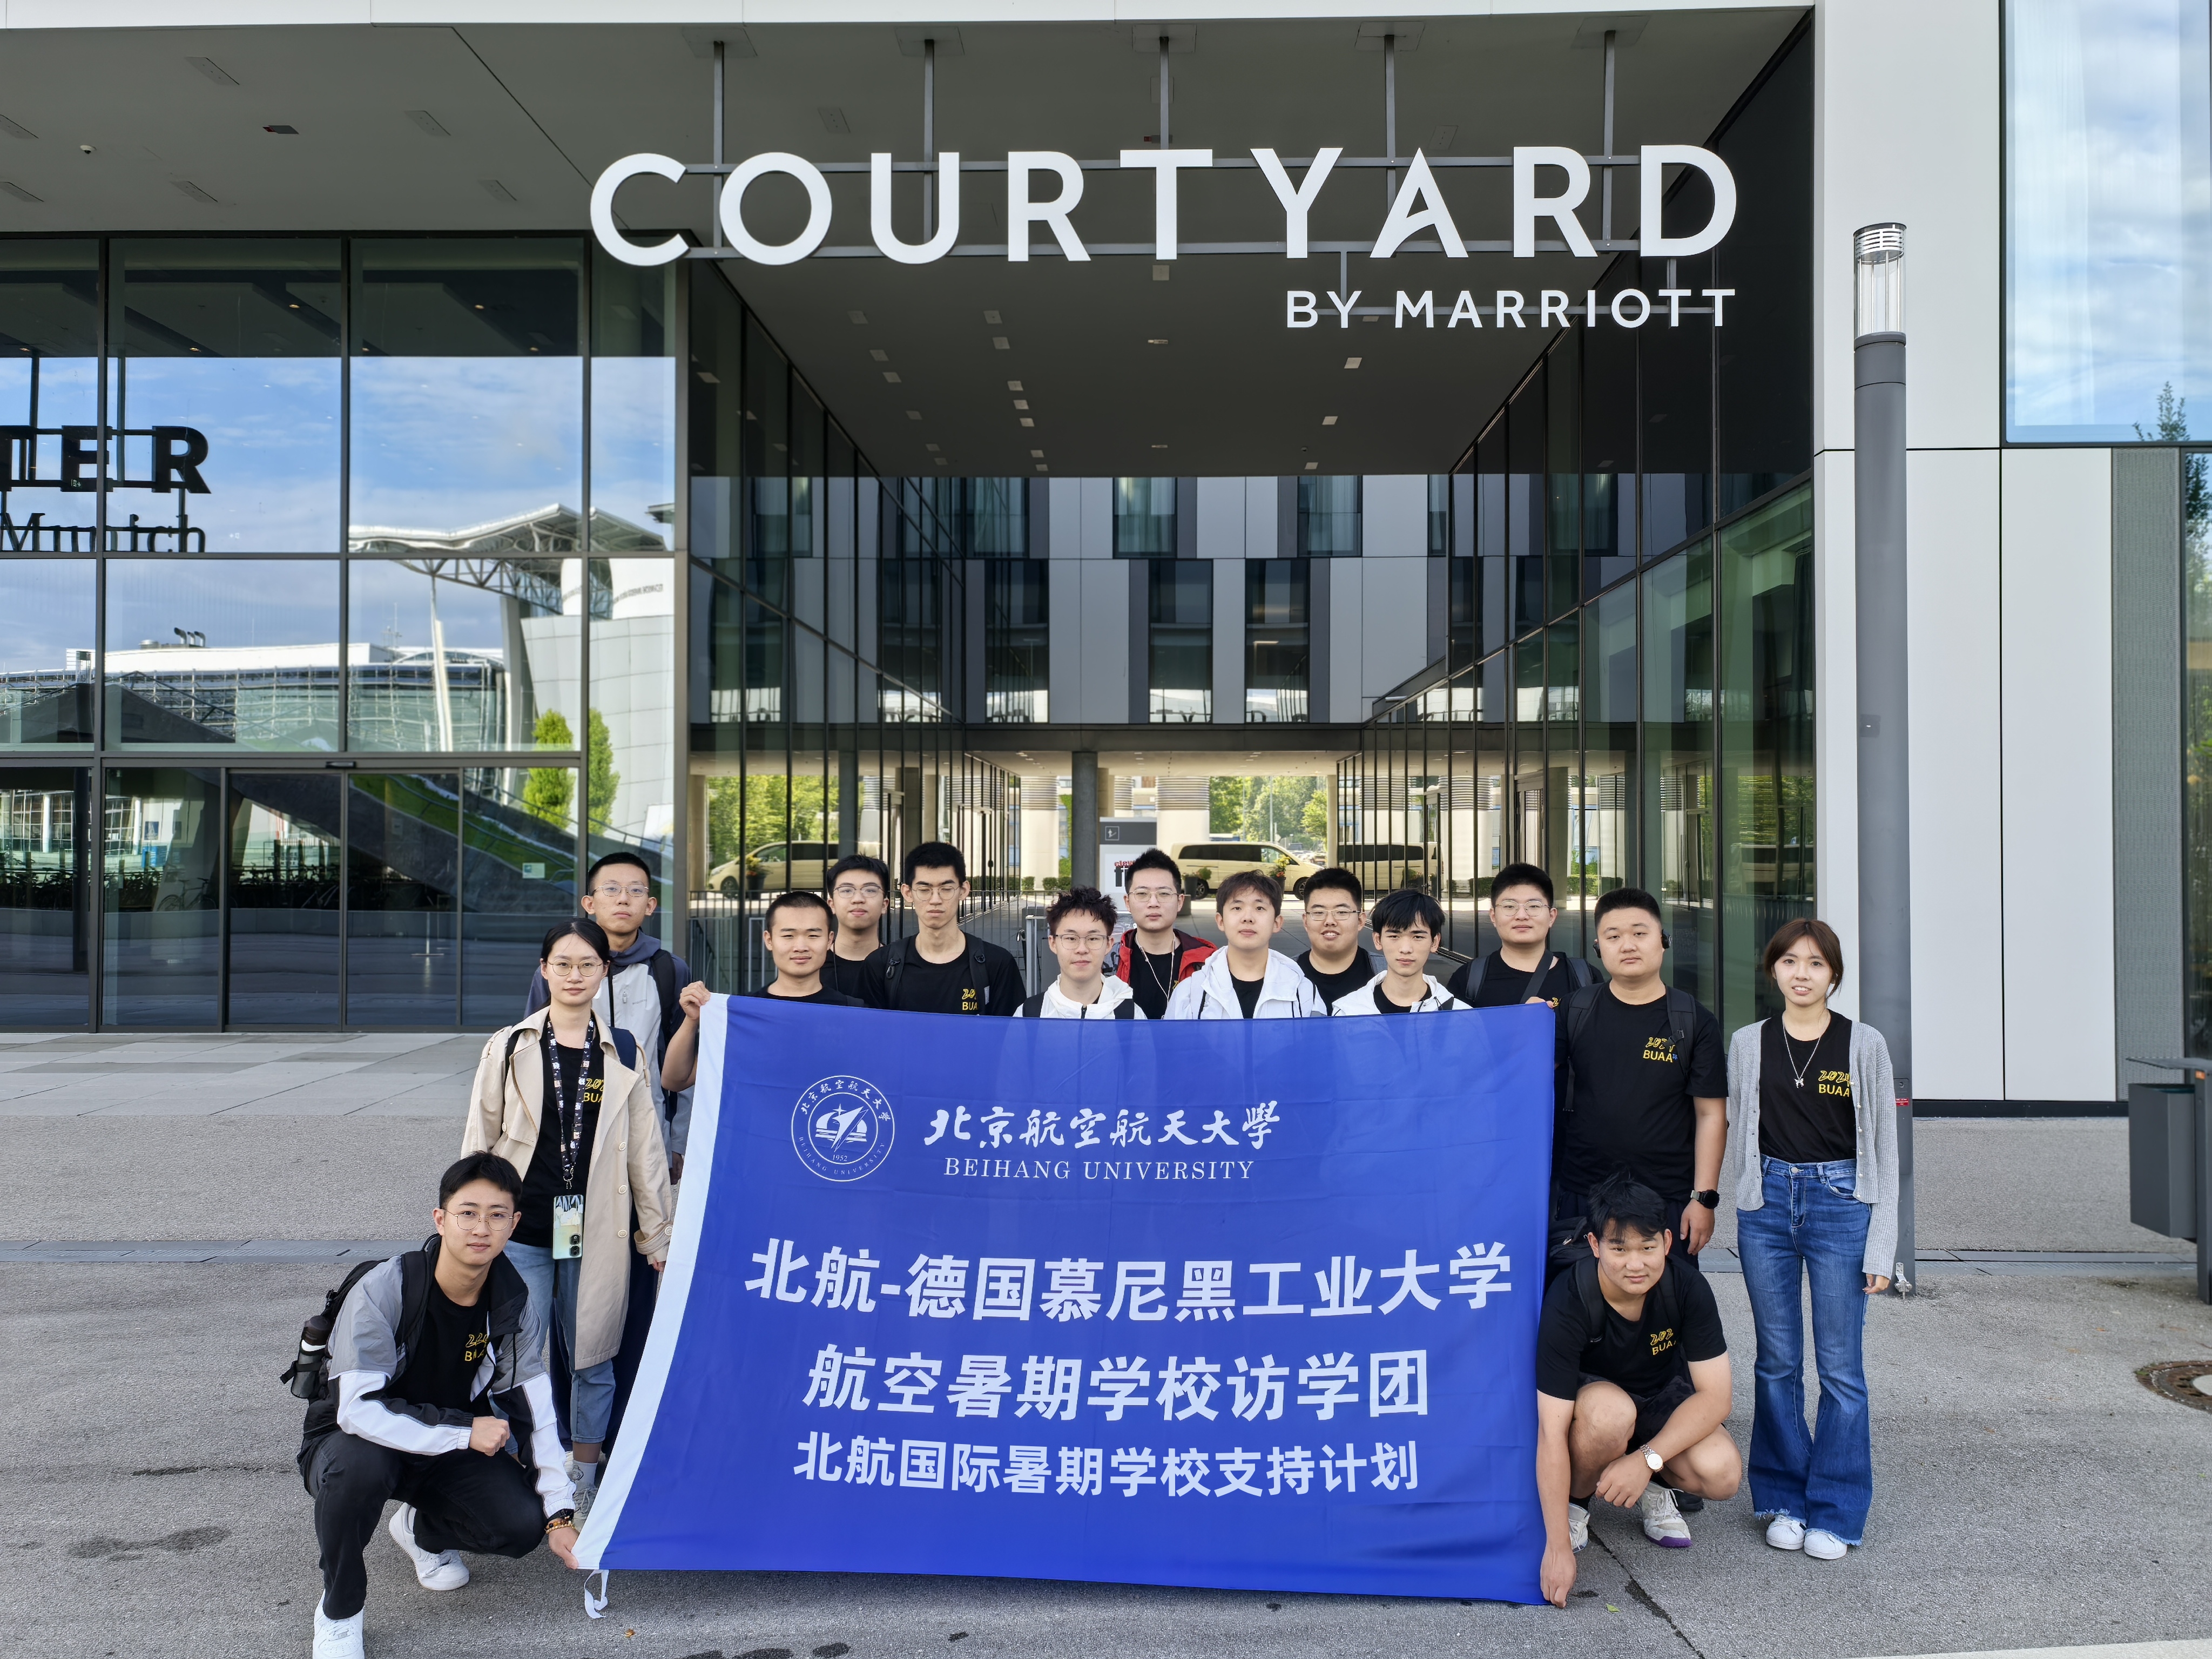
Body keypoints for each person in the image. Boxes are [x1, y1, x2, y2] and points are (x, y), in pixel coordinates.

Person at [298, 1153, 578, 1659]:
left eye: (497, 1215)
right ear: (441, 1219)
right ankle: (339, 1613)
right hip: (352, 1441)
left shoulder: (511, 1304)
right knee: (360, 1467)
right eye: (467, 1213)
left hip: (444, 1445)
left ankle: (420, 1531)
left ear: (514, 1224)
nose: (481, 1228)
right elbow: (356, 1410)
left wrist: (559, 1514)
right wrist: (464, 1432)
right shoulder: (386, 1289)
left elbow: (536, 1412)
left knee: (521, 1525)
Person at [464, 919, 673, 1522]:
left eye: (587, 964)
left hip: (596, 1228)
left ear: (604, 971)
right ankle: (514, 1471)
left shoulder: (625, 1050)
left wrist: (657, 1233)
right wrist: (469, 1224)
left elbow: (646, 1151)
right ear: (544, 969)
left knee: (593, 1355)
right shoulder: (510, 1045)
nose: (575, 975)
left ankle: (584, 1477)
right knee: (514, 1353)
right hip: (522, 1229)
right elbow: (479, 1141)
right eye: (563, 964)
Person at [1728, 918, 1899, 1562]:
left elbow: (1885, 1151)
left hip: (1840, 1205)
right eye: (1789, 962)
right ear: (1772, 969)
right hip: (1767, 1205)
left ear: (1833, 974)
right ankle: (1784, 1500)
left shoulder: (1864, 1044)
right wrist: (1739, 1201)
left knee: (1840, 1369)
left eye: (1815, 964)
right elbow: (1741, 1130)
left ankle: (1836, 1509)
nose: (1801, 974)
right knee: (1775, 1363)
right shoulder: (1748, 1042)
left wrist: (1882, 1246)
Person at [1535, 1172, 1742, 1604]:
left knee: (1723, 1473)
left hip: (1658, 1399)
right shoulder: (1570, 1297)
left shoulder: (1686, 1287)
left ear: (1666, 1242)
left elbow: (1716, 1397)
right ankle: (1577, 1504)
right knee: (1611, 1415)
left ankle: (1654, 1485)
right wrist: (1555, 1547)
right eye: (1619, 1249)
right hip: (1597, 1406)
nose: (1635, 1264)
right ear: (1595, 1246)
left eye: (1647, 1248)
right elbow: (1551, 1432)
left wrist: (1646, 1461)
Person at [1554, 888, 1726, 1272]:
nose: (1627, 945)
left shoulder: (1694, 1020)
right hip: (1584, 1193)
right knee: (1580, 1300)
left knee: (1667, 1303)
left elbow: (1711, 1115)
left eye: (1640, 933)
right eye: (1613, 936)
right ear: (1598, 947)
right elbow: (1527, 1079)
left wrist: (1704, 1199)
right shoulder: (1574, 1010)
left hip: (1666, 1196)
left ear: (1663, 940)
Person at [524, 851, 702, 1174]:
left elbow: (684, 1060)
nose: (623, 899)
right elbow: (530, 1053)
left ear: (650, 905)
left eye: (636, 890)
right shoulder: (560, 969)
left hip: (647, 1128)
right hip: (569, 1129)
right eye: (611, 889)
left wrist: (679, 1140)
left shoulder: (669, 970)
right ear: (589, 903)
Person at [860, 841, 1026, 1015]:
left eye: (946, 889)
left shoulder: (998, 964)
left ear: (963, 890)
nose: (935, 900)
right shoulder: (880, 965)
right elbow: (867, 1030)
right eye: (924, 889)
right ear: (908, 893)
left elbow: (1012, 1031)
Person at [1163, 872, 1328, 1019]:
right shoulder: (1190, 993)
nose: (1248, 917)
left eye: (1259, 908)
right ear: (1221, 921)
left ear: (1277, 923)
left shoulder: (1303, 992)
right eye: (1237, 908)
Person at [1447, 862, 1595, 1009]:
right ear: (1493, 916)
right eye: (1510, 906)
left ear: (1551, 917)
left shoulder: (1584, 976)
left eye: (1534, 906)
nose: (1522, 916)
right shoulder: (1467, 980)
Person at [1111, 848, 1215, 1020]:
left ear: (1180, 901)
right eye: (1142, 894)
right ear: (1128, 902)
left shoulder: (1207, 962)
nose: (1153, 903)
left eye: (1164, 894)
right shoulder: (1109, 960)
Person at [1328, 889, 1469, 1014]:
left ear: (1435, 942)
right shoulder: (1348, 1012)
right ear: (1378, 940)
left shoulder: (1460, 1015)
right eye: (1394, 936)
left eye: (1418, 937)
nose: (1406, 949)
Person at [1021, 886, 1144, 1018]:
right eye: (1071, 938)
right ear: (1053, 943)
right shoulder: (1029, 1014)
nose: (1082, 949)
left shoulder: (1131, 1015)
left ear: (1109, 944)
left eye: (1093, 938)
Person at [750, 889, 865, 1006]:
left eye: (813, 936)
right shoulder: (744, 1009)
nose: (801, 948)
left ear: (829, 940)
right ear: (769, 940)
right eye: (788, 936)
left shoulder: (854, 1010)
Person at [1294, 866, 1375, 1007]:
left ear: (1361, 921)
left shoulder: (1386, 973)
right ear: (1306, 922)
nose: (1330, 921)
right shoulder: (1284, 976)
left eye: (1342, 912)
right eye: (1319, 912)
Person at [822, 853, 893, 1001]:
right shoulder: (813, 966)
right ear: (832, 905)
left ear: (884, 905)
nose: (858, 899)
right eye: (847, 890)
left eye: (870, 890)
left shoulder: (898, 967)